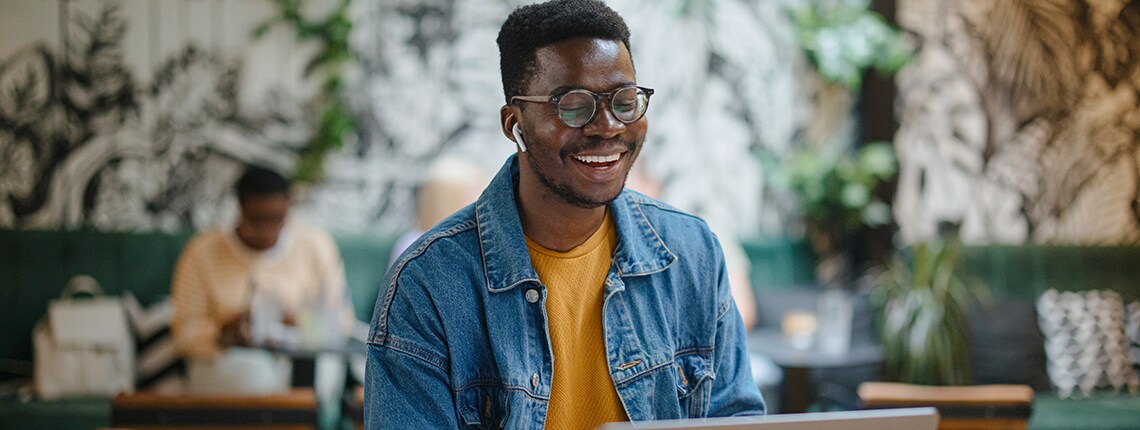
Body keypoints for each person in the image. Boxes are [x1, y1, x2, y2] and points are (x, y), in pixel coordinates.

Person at [365, 0, 766, 428]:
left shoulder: (692, 253)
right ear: (514, 123)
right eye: (574, 105)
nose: (608, 125)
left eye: (625, 101)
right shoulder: (428, 286)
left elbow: (734, 416)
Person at [171, 165, 353, 395]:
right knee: (254, 375)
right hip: (230, 362)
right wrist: (225, 331)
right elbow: (184, 334)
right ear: (240, 208)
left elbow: (341, 321)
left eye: (276, 219)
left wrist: (296, 321)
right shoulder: (202, 252)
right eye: (256, 220)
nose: (267, 230)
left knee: (322, 370)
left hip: (300, 358)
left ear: (288, 209)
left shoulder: (316, 245)